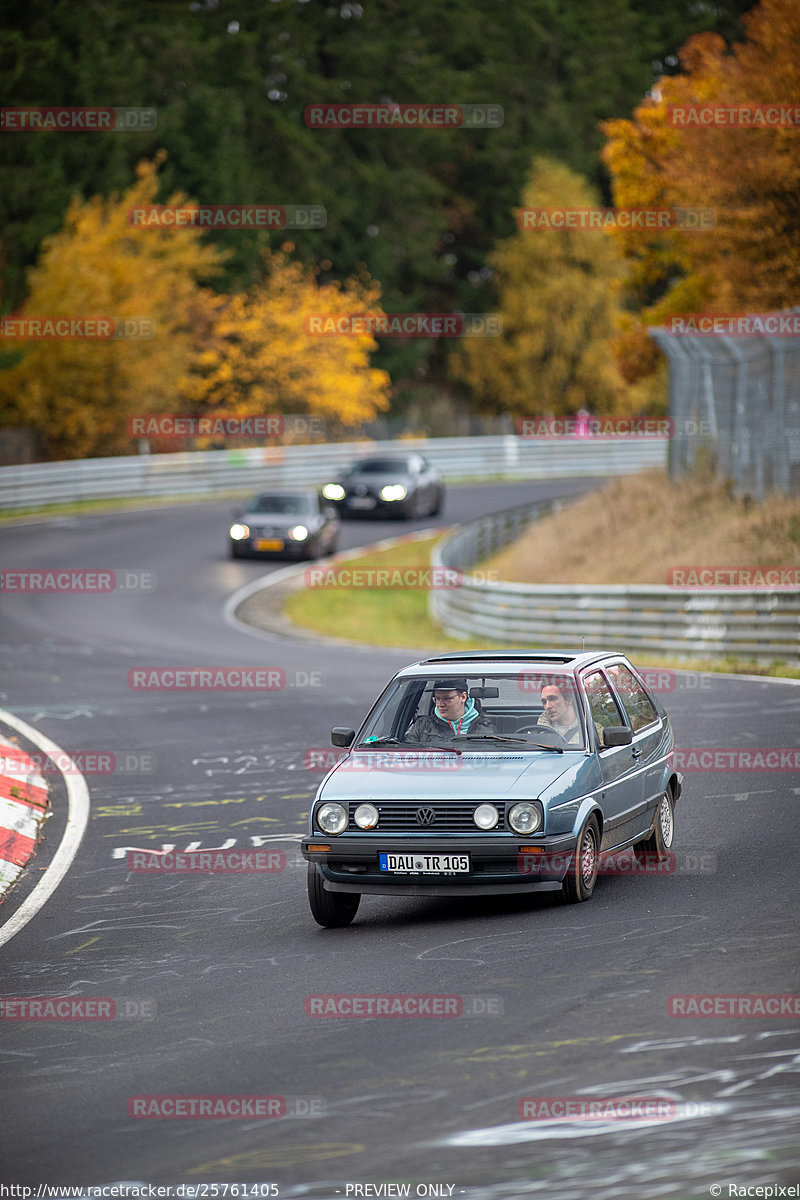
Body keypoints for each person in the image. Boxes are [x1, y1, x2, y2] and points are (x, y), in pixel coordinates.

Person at [404, 678, 496, 744]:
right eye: (437, 698)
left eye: (447, 699)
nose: (440, 704)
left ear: (463, 697)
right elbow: (409, 757)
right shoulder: (422, 725)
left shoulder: (484, 727)